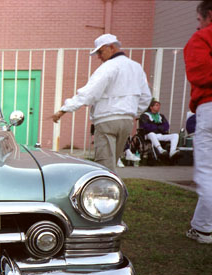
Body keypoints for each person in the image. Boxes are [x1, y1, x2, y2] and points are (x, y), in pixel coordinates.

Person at [52, 33, 152, 172]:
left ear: (111, 47)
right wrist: (133, 113)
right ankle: (112, 190)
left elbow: (89, 93)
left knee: (104, 166)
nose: (99, 56)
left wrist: (64, 109)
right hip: (127, 121)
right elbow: (146, 97)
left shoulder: (108, 67)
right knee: (113, 162)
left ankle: (105, 192)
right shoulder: (136, 67)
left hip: (107, 121)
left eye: (100, 52)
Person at [184, 0, 212, 244]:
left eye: (199, 19)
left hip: (209, 106)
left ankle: (203, 229)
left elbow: (200, 74)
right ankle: (201, 226)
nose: (198, 24)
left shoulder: (202, 38)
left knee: (207, 173)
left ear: (209, 15)